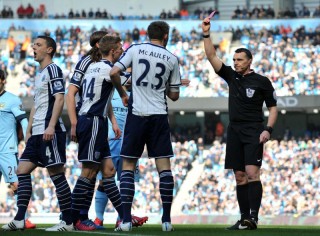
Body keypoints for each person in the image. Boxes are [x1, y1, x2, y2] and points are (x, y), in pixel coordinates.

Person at [201, 17, 278, 230]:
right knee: (239, 176)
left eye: (240, 60)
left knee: (253, 173)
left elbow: (273, 108)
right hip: (234, 130)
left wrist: (268, 130)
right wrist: (206, 33)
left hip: (254, 130)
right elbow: (211, 55)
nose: (235, 63)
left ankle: (253, 217)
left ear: (249, 61)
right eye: (234, 59)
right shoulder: (231, 76)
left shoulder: (262, 81)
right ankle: (244, 218)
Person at [67, 32, 147, 231]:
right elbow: (129, 79)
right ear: (112, 51)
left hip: (96, 121)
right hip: (93, 121)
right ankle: (71, 219)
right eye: (120, 49)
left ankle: (125, 217)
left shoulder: (93, 67)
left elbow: (103, 94)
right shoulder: (110, 70)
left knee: (109, 171)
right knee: (88, 172)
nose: (122, 52)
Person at [110, 20, 181, 232]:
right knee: (164, 168)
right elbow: (175, 96)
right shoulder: (172, 58)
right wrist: (164, 85)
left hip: (137, 114)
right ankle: (167, 220)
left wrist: (124, 93)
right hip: (158, 115)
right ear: (166, 36)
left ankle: (125, 220)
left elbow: (114, 72)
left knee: (128, 167)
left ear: (148, 34)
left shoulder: (136, 49)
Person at [2, 36, 73, 232]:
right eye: (34, 44)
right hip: (36, 133)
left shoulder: (54, 69)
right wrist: (29, 128)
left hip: (51, 131)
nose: (33, 47)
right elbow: (36, 104)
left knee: (57, 174)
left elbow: (59, 99)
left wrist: (50, 126)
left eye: (38, 45)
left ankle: (67, 221)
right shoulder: (39, 73)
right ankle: (19, 219)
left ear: (49, 50)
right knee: (21, 170)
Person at [93, 87, 149, 228]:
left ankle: (121, 218)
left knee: (127, 180)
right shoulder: (111, 91)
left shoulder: (138, 93)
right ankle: (99, 218)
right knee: (104, 182)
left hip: (130, 145)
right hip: (110, 143)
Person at [0, 69, 36, 230]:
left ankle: (24, 218)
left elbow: (22, 120)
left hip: (6, 150)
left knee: (16, 184)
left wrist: (28, 138)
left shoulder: (12, 100)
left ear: (2, 80)